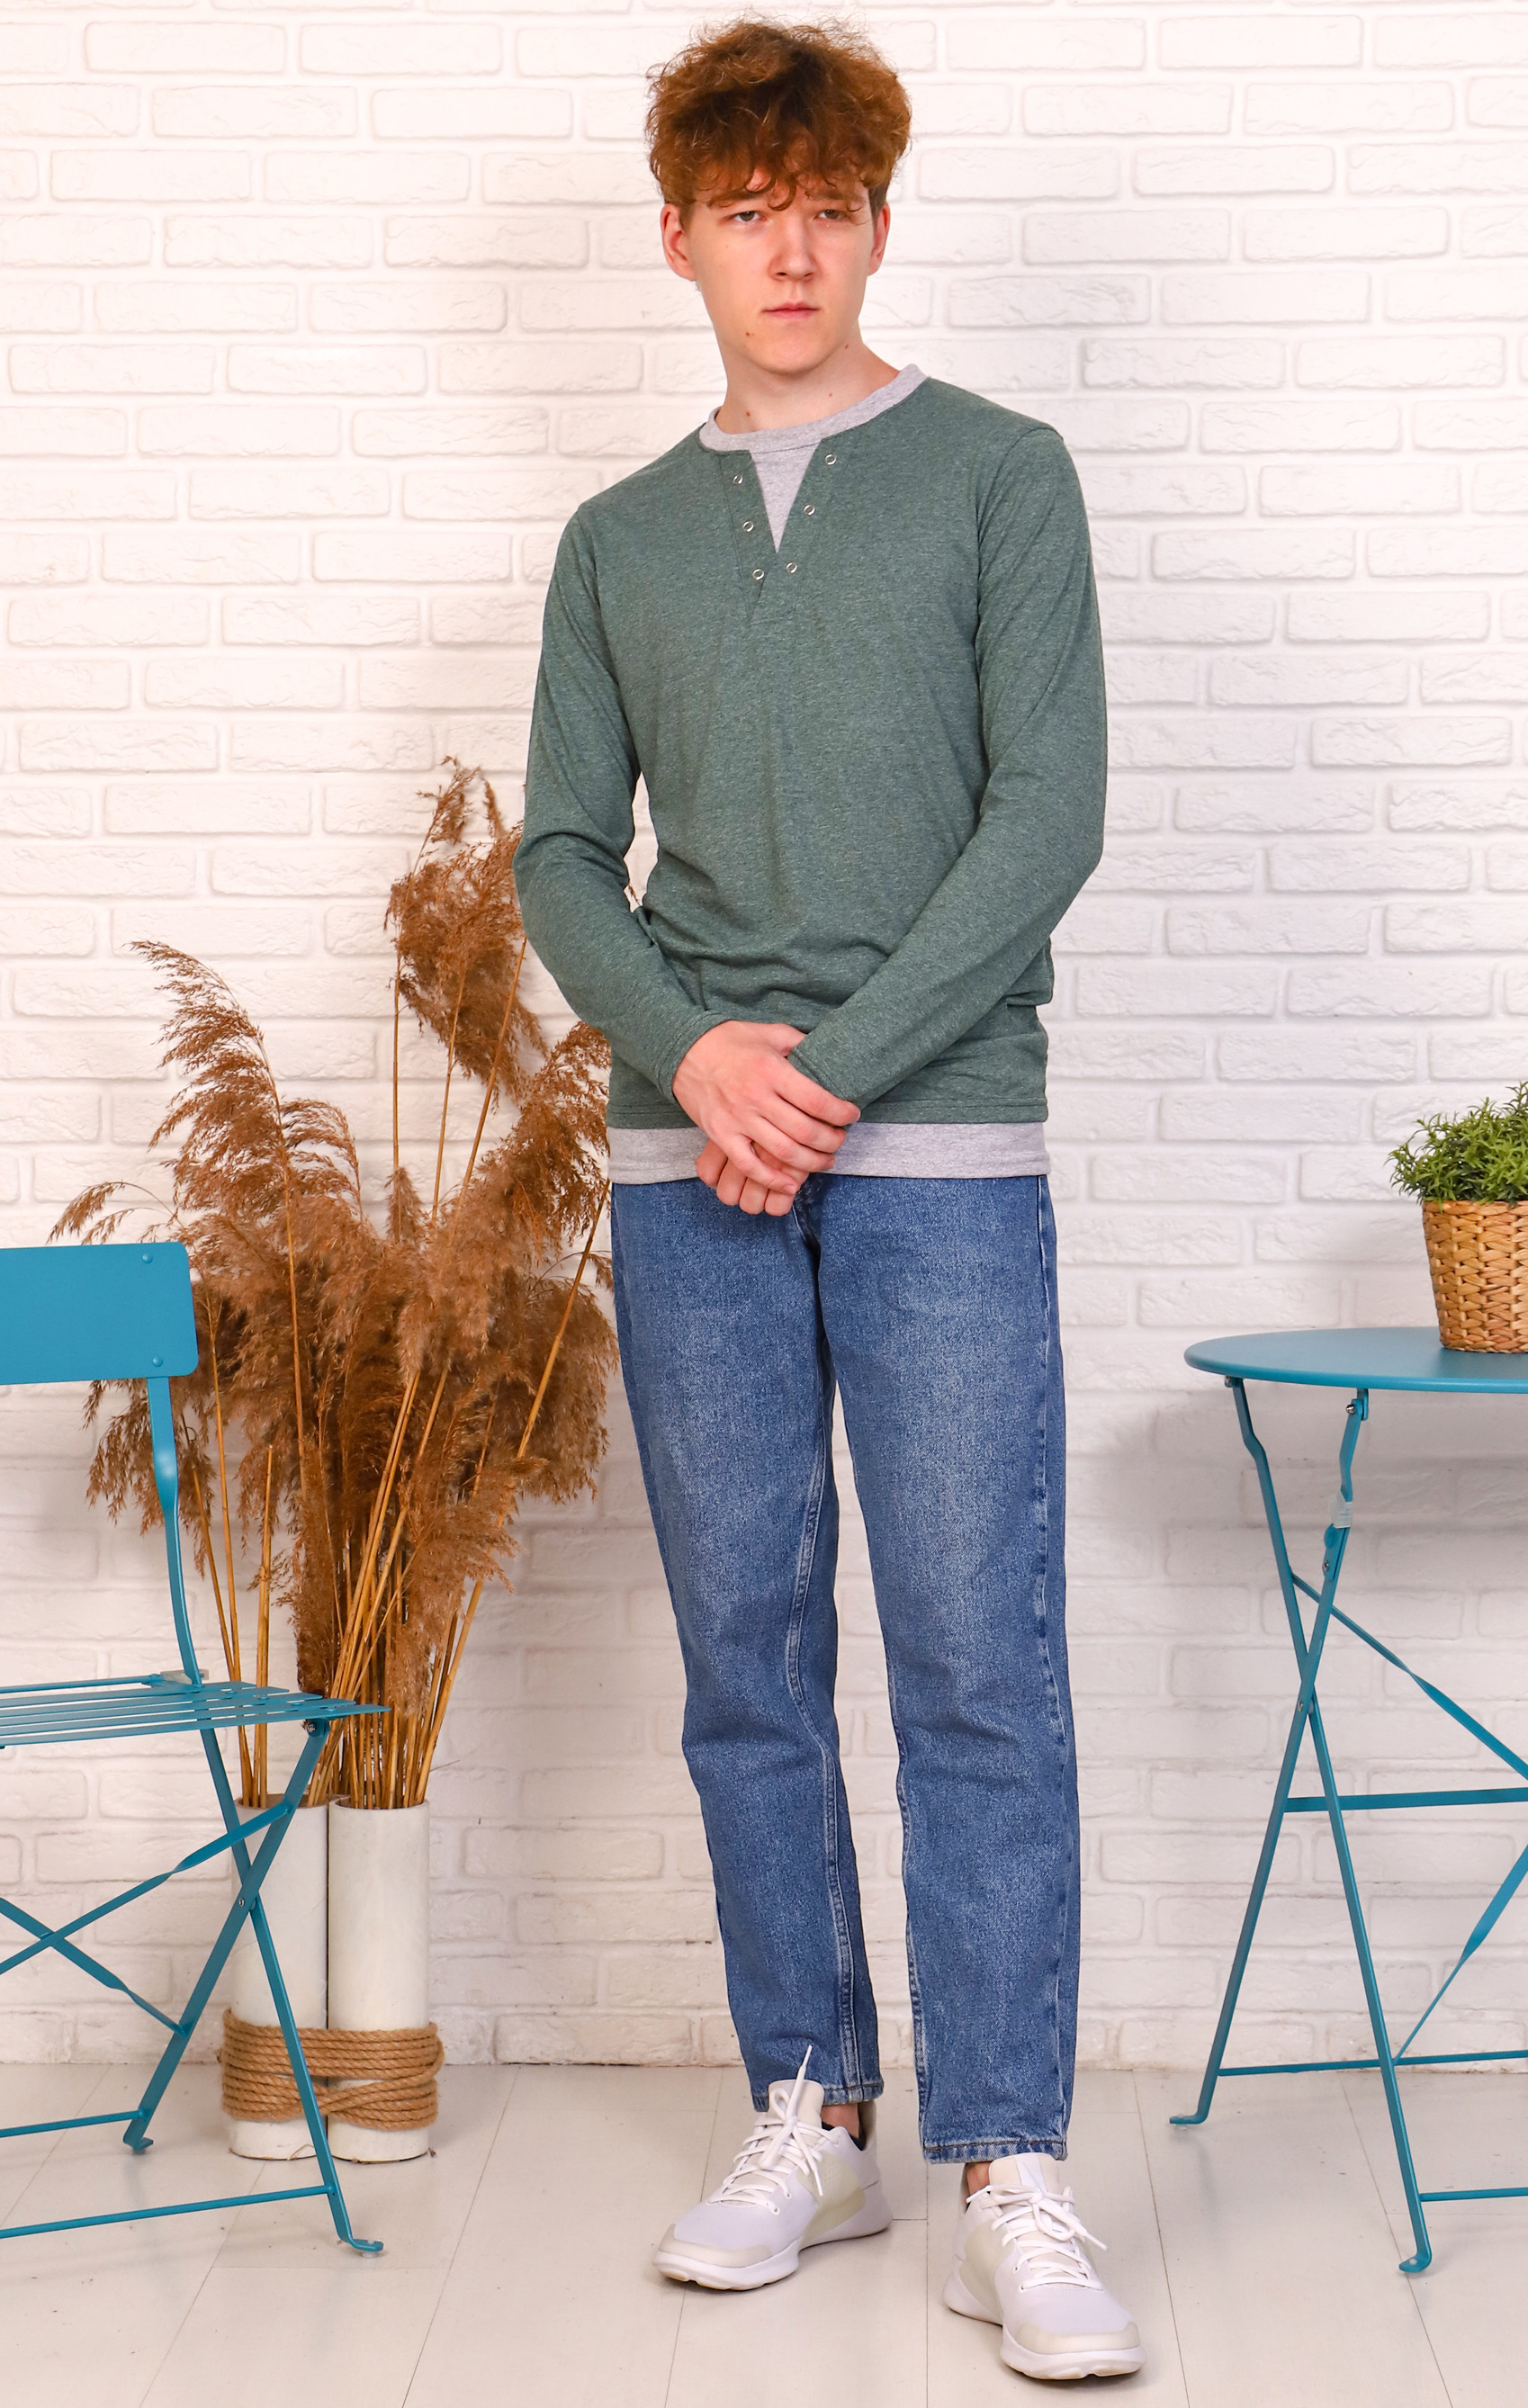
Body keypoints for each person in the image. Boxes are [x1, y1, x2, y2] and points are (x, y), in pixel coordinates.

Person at [516, 17, 1140, 2384]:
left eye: (831, 208)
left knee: (980, 1659)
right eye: (748, 209)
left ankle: (1012, 2166)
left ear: (881, 223)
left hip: (942, 1147)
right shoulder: (616, 541)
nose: (792, 250)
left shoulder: (1001, 477)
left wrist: (830, 1076)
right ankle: (814, 2105)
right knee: (747, 1663)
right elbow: (560, 853)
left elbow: (1044, 817)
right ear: (678, 235)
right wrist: (698, 1058)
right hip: (689, 1166)